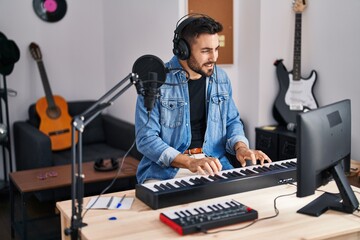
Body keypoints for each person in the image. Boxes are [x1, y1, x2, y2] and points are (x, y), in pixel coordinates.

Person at [135, 14, 270, 184]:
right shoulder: (156, 80)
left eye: (216, 49)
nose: (214, 58)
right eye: (206, 51)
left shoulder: (221, 78)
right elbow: (146, 139)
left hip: (215, 167)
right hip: (166, 172)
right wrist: (190, 162)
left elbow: (232, 122)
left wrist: (241, 148)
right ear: (182, 50)